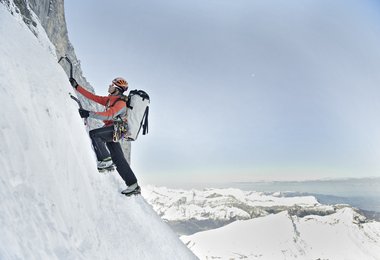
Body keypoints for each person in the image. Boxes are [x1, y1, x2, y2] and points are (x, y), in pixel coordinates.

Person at [69, 76, 140, 195]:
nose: (109, 86)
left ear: (116, 89)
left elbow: (108, 115)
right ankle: (133, 185)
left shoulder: (121, 103)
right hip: (114, 129)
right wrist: (77, 86)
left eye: (112, 85)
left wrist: (88, 113)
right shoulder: (109, 99)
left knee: (95, 134)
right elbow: (93, 97)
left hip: (117, 128)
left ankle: (105, 160)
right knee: (119, 159)